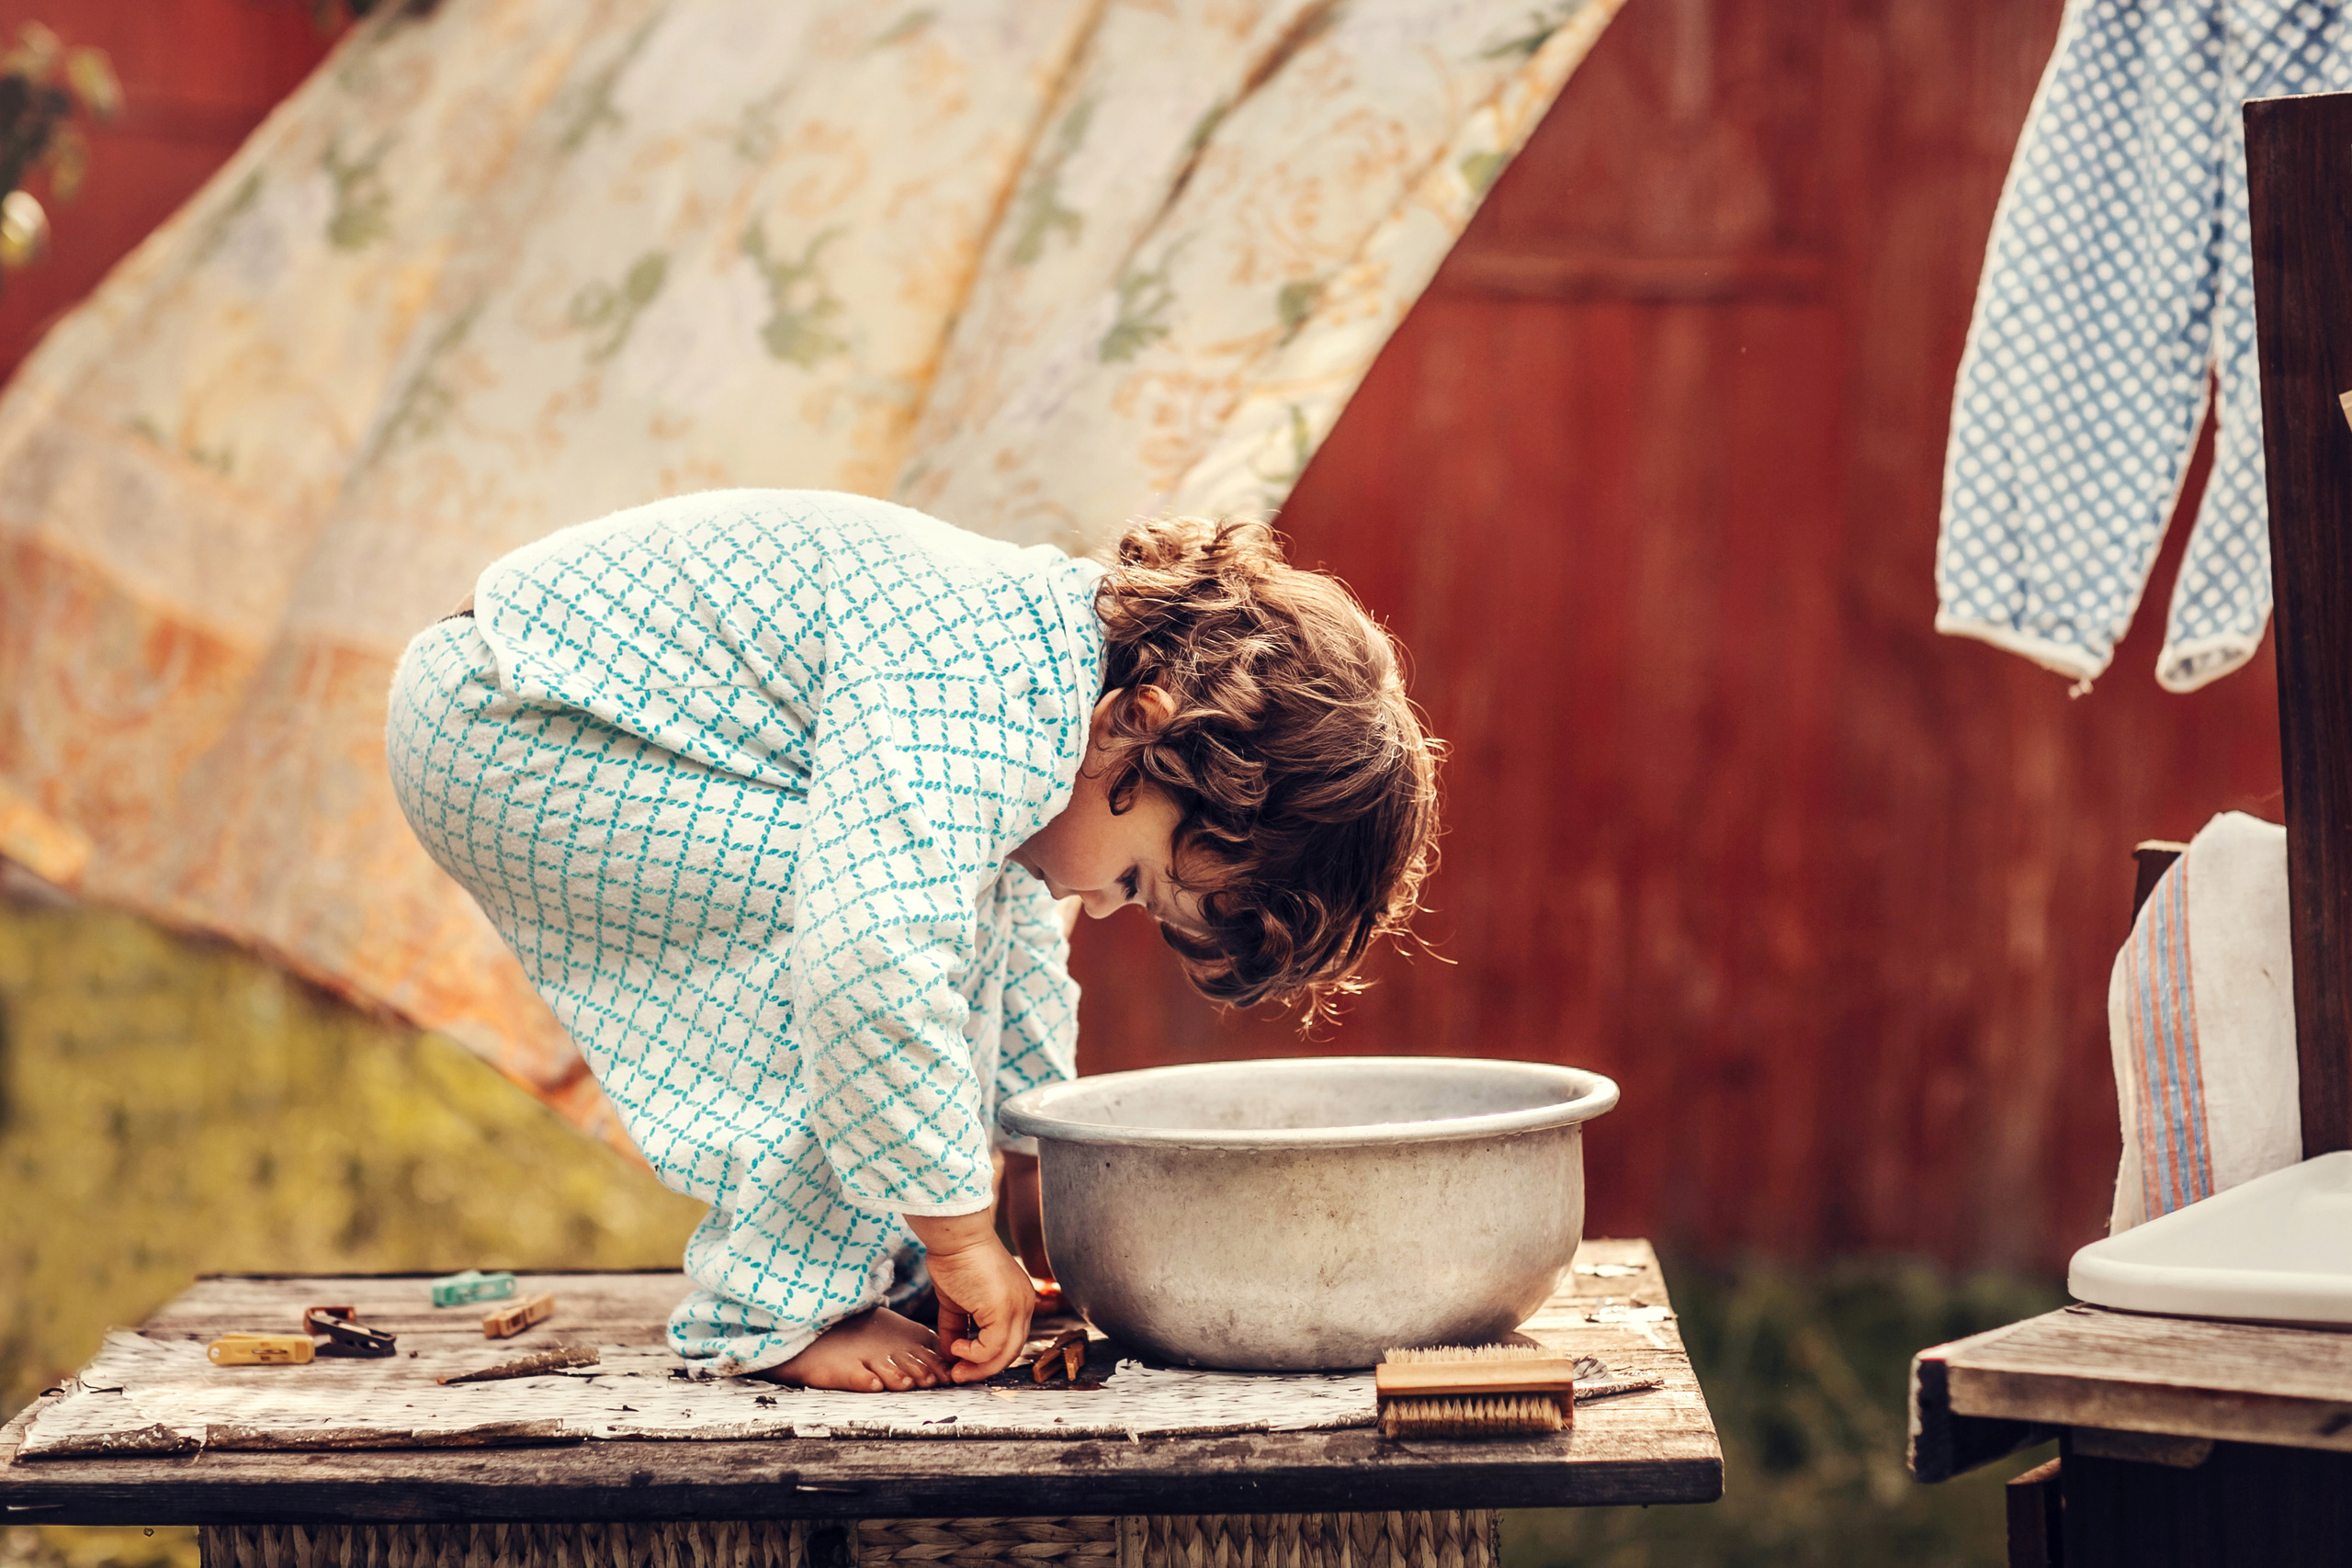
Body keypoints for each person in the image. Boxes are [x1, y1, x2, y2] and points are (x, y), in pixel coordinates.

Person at [386, 490, 1439, 1391]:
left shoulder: (1038, 682)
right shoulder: (979, 680)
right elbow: (870, 966)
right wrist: (955, 1234)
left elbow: (1015, 959)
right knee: (856, 934)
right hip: (514, 717)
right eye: (1136, 880)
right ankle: (776, 1308)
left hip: (540, 707)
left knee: (926, 911)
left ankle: (848, 1267)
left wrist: (1032, 1166)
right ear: (1144, 724)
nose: (1109, 906)